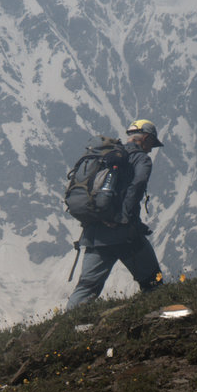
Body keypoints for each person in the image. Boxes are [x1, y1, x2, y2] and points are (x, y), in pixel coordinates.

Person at [65, 119, 166, 309]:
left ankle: (66, 330)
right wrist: (123, 218)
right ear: (145, 138)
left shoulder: (106, 155)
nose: (151, 149)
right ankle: (162, 319)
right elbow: (137, 186)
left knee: (86, 288)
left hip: (95, 234)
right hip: (126, 236)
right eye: (152, 143)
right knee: (153, 281)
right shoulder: (141, 159)